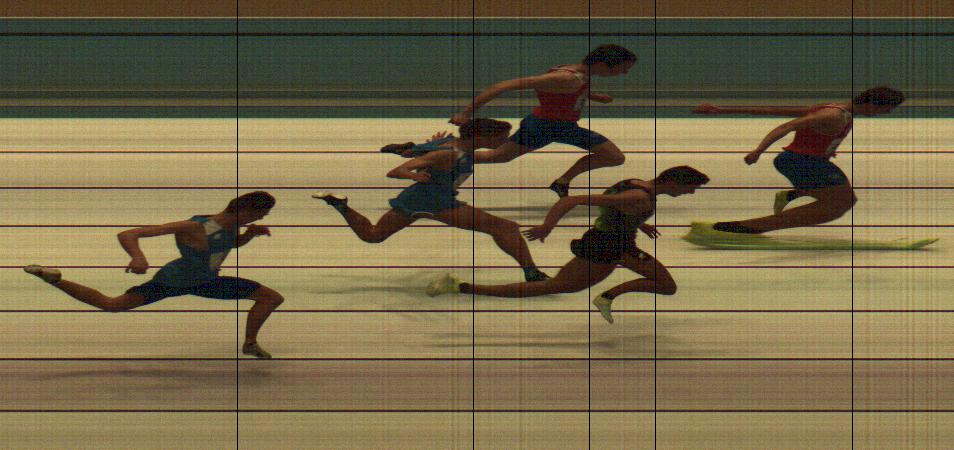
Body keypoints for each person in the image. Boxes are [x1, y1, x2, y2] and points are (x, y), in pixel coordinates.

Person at [426, 166, 710, 324]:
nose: (691, 193)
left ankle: (608, 296)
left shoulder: (634, 183)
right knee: (555, 286)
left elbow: (615, 210)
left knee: (665, 285)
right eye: (690, 188)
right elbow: (572, 200)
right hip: (606, 248)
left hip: (618, 244)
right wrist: (547, 226)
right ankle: (461, 287)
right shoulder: (639, 197)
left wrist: (638, 222)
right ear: (674, 182)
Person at [24, 191, 282, 359]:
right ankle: (55, 279)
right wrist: (138, 257)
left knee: (271, 298)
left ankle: (249, 343)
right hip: (173, 281)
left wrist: (248, 236)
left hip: (206, 282)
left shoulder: (232, 226)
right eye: (260, 214)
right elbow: (128, 234)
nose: (261, 218)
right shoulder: (195, 226)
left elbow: (225, 245)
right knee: (112, 305)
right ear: (245, 210)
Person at [314, 118, 550, 282]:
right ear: (481, 136)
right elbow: (396, 171)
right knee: (504, 227)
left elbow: (419, 150)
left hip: (419, 200)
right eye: (501, 137)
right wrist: (413, 174)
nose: (504, 141)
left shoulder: (453, 146)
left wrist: (410, 149)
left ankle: (341, 205)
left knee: (373, 235)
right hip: (435, 203)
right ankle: (532, 273)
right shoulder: (448, 153)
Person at [689, 86, 904, 236]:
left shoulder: (837, 110)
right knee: (840, 204)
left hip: (808, 161)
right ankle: (748, 227)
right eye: (888, 109)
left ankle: (790, 197)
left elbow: (773, 111)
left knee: (842, 200)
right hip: (800, 162)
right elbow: (788, 125)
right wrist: (759, 150)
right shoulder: (833, 115)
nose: (887, 113)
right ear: (873, 104)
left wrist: (721, 110)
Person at [449, 44, 637, 197]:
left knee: (499, 157)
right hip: (543, 127)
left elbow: (563, 93)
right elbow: (502, 86)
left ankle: (562, 182)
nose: (624, 73)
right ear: (603, 64)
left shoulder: (577, 74)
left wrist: (593, 96)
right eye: (623, 69)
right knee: (498, 157)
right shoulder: (566, 78)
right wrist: (466, 113)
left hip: (561, 126)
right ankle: (444, 157)